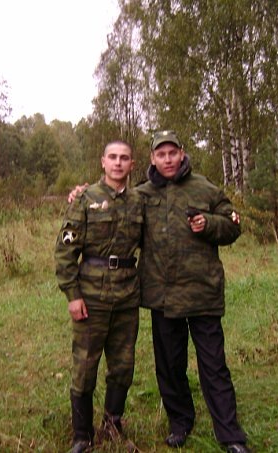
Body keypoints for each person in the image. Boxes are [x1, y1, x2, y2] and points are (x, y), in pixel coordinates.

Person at [69, 130, 250, 453]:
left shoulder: (204, 188)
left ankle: (231, 436)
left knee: (214, 367)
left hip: (203, 294)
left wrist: (209, 224)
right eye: (161, 154)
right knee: (169, 367)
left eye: (172, 153)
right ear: (152, 159)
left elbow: (233, 223)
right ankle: (180, 423)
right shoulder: (141, 195)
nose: (167, 160)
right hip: (162, 297)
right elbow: (113, 207)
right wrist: (82, 194)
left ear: (182, 153)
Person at [55, 140, 143, 453]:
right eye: (113, 157)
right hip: (91, 296)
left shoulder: (140, 201)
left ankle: (113, 425)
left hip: (127, 296)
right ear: (102, 162)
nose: (118, 163)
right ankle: (82, 435)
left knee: (123, 365)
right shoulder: (85, 199)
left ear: (132, 164)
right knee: (85, 364)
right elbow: (66, 250)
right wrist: (72, 294)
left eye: (125, 158)